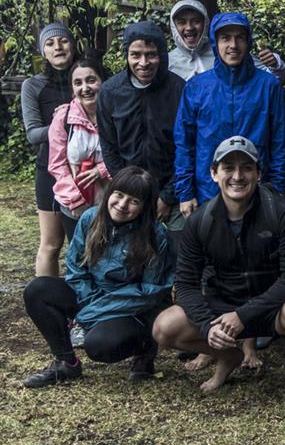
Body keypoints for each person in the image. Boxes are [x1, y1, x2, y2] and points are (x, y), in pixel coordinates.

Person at [152, 136, 285, 401]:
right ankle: (227, 355)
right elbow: (185, 284)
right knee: (164, 327)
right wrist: (209, 326)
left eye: (246, 167)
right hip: (223, 307)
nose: (237, 176)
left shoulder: (282, 213)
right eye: (228, 167)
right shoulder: (199, 221)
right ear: (213, 173)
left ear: (258, 173)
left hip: (271, 309)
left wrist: (243, 315)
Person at [21, 166, 174, 387]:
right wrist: (90, 301)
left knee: (99, 346)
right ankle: (66, 363)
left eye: (133, 201)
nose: (122, 205)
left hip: (132, 307)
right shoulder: (90, 218)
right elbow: (76, 268)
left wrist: (96, 310)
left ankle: (144, 348)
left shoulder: (155, 234)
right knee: (38, 290)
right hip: (93, 295)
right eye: (119, 195)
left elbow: (151, 292)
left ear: (144, 207)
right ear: (110, 192)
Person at [174, 12, 285, 212]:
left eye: (240, 38)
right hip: (208, 192)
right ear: (214, 42)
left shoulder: (269, 85)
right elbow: (184, 142)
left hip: (258, 192)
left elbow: (279, 142)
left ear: (248, 41)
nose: (233, 45)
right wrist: (185, 193)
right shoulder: (197, 86)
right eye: (225, 38)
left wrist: (276, 190)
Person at [97, 20, 186, 234]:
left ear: (162, 55)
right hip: (128, 194)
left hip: (172, 193)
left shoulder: (179, 90)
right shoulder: (110, 92)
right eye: (136, 54)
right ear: (126, 55)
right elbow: (109, 147)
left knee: (175, 255)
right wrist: (130, 193)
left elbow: (188, 147)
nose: (143, 62)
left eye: (151, 54)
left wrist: (167, 196)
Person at [21, 23, 76, 276]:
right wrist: (64, 123)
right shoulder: (33, 85)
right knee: (52, 245)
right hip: (50, 170)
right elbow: (33, 134)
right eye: (50, 43)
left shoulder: (89, 77)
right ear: (43, 51)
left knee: (89, 242)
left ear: (72, 44)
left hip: (87, 169)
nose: (58, 47)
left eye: (63, 41)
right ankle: (47, 304)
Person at [48, 58, 113, 227]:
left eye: (91, 80)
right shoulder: (63, 118)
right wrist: (76, 200)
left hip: (114, 203)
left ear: (103, 82)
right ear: (72, 89)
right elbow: (57, 164)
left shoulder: (117, 113)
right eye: (78, 83)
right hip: (74, 205)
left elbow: (128, 152)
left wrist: (102, 170)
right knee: (78, 253)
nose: (85, 88)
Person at [167, 0, 285, 80]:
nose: (189, 27)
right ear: (173, 26)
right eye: (182, 22)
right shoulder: (168, 63)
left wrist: (275, 64)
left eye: (196, 21)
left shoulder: (224, 51)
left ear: (206, 24)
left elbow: (271, 77)